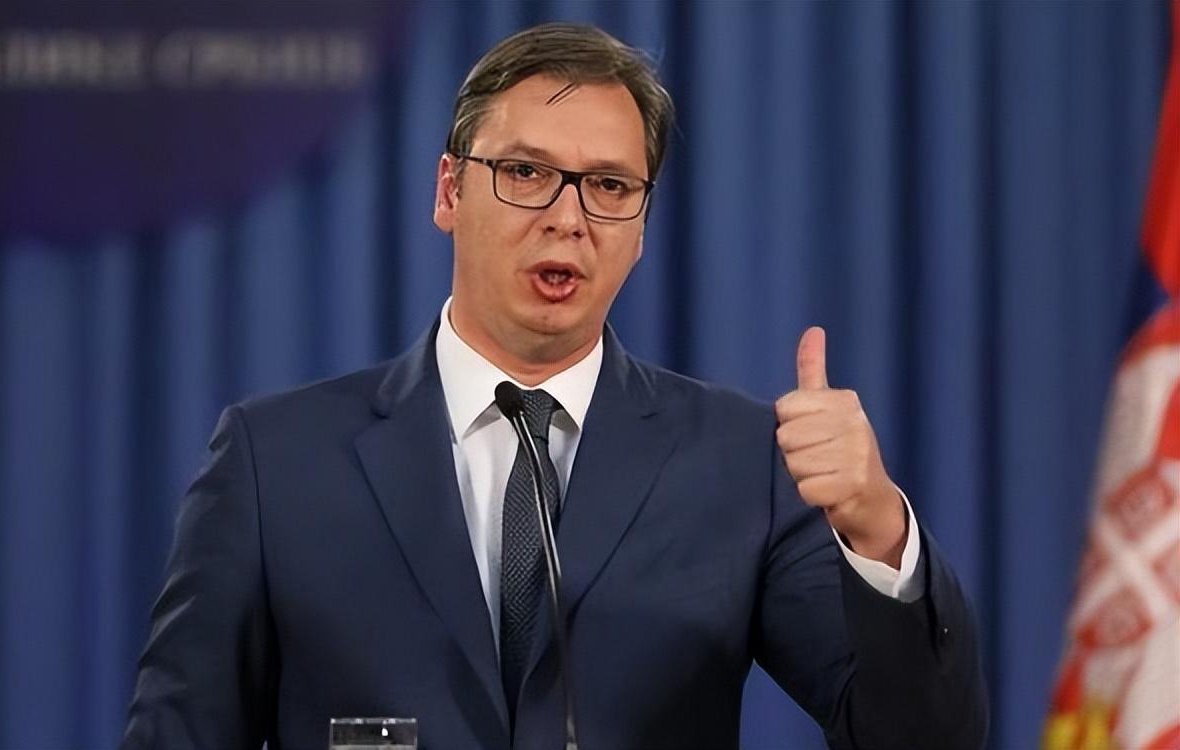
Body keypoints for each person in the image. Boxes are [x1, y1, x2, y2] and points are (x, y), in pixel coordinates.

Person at [122, 22, 988, 750]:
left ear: (641, 226)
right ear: (450, 191)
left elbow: (920, 740)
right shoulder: (277, 463)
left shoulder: (742, 465)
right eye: (527, 173)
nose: (568, 218)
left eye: (609, 186)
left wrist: (880, 531)